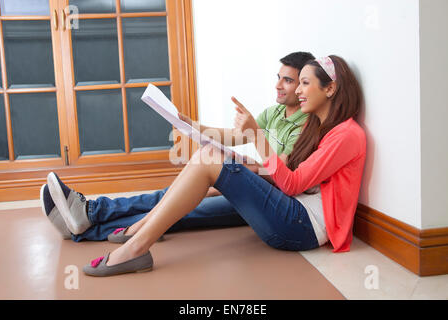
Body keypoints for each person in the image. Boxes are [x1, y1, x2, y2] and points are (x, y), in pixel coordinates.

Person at [76, 54, 367, 276]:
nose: (297, 91)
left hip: (302, 227)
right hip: (290, 209)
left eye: (304, 83)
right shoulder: (320, 126)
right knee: (208, 158)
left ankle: (135, 247)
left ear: (330, 89)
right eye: (297, 82)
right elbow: (286, 174)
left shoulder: (347, 135)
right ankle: (122, 231)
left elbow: (291, 183)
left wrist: (254, 139)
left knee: (208, 160)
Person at [41, 52, 315, 242]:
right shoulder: (276, 113)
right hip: (249, 180)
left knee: (182, 212)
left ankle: (83, 227)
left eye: (288, 81)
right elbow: (233, 135)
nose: (278, 85)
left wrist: (243, 168)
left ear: (304, 86)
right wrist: (191, 125)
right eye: (278, 77)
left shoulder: (305, 124)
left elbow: (282, 178)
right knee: (168, 195)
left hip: (267, 199)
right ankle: (90, 211)